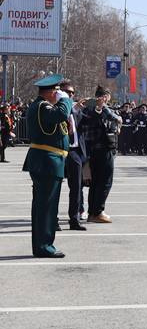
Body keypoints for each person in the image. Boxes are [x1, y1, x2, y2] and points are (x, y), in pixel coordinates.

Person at [23, 74, 74, 258]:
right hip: (47, 162)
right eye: (58, 91)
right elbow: (60, 114)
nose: (59, 94)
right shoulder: (42, 106)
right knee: (46, 207)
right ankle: (44, 246)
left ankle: (42, 244)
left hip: (49, 161)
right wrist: (66, 101)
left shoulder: (42, 106)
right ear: (52, 92)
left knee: (44, 206)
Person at [78, 86, 121, 223]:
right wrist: (101, 108)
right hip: (101, 149)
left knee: (96, 183)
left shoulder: (92, 111)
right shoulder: (95, 110)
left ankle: (93, 211)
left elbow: (117, 123)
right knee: (104, 182)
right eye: (105, 97)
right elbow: (114, 118)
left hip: (98, 150)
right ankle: (97, 211)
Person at [59, 80, 89, 231]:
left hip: (75, 152)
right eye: (66, 92)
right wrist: (73, 108)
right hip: (60, 151)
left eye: (72, 93)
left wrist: (97, 108)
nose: (69, 95)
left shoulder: (78, 109)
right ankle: (52, 219)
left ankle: (74, 219)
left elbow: (89, 122)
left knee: (76, 187)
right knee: (55, 187)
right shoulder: (59, 107)